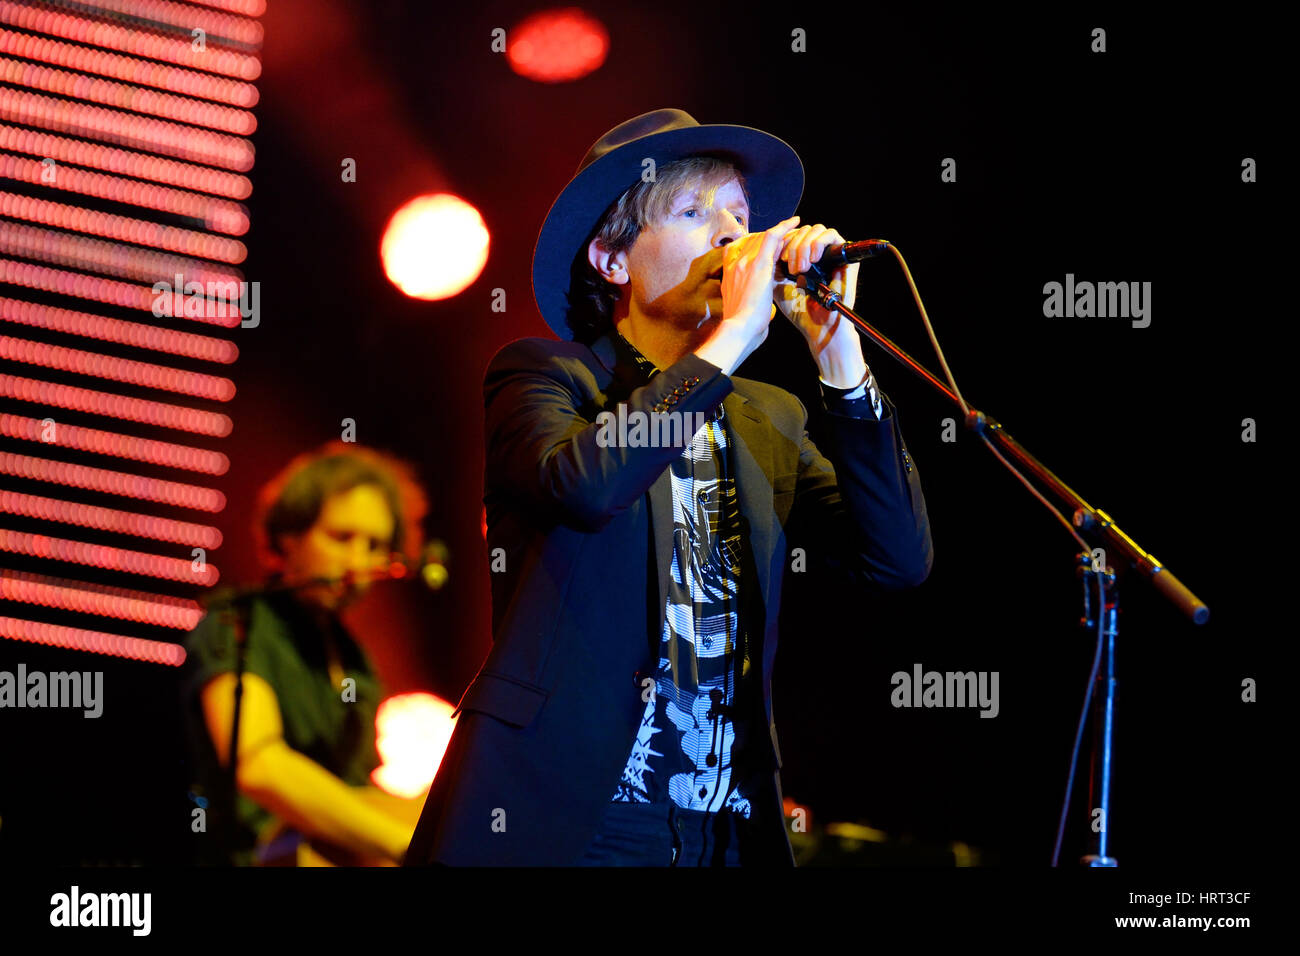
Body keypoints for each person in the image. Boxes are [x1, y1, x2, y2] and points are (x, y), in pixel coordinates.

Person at [405, 108, 933, 867]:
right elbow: (585, 487)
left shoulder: (769, 418)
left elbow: (896, 558)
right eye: (693, 213)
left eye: (741, 217)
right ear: (612, 261)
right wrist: (731, 342)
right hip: (572, 824)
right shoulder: (547, 377)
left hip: (721, 833)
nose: (731, 234)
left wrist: (837, 353)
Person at [181, 441, 429, 865]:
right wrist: (403, 845)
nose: (357, 562)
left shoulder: (355, 660)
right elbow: (258, 765)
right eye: (341, 537)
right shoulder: (236, 624)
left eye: (374, 546)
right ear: (290, 536)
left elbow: (351, 792)